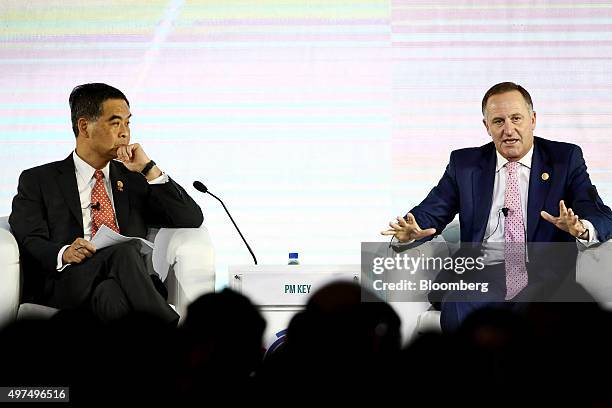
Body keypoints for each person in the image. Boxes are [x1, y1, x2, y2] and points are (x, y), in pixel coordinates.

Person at [382, 82, 612, 332]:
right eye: (499, 121)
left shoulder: (564, 159)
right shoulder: (465, 164)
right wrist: (406, 233)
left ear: (533, 119)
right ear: (487, 126)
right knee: (458, 301)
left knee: (543, 307)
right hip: (483, 272)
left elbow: (597, 211)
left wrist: (581, 228)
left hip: (545, 273)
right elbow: (431, 211)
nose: (509, 130)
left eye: (516, 118)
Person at [9, 83, 203, 324]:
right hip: (68, 282)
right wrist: (65, 253)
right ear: (84, 127)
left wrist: (149, 170)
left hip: (126, 284)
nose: (125, 133)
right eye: (115, 122)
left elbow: (191, 218)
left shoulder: (133, 179)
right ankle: (171, 330)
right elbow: (29, 239)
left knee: (108, 293)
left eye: (127, 123)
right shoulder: (38, 180)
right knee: (123, 252)